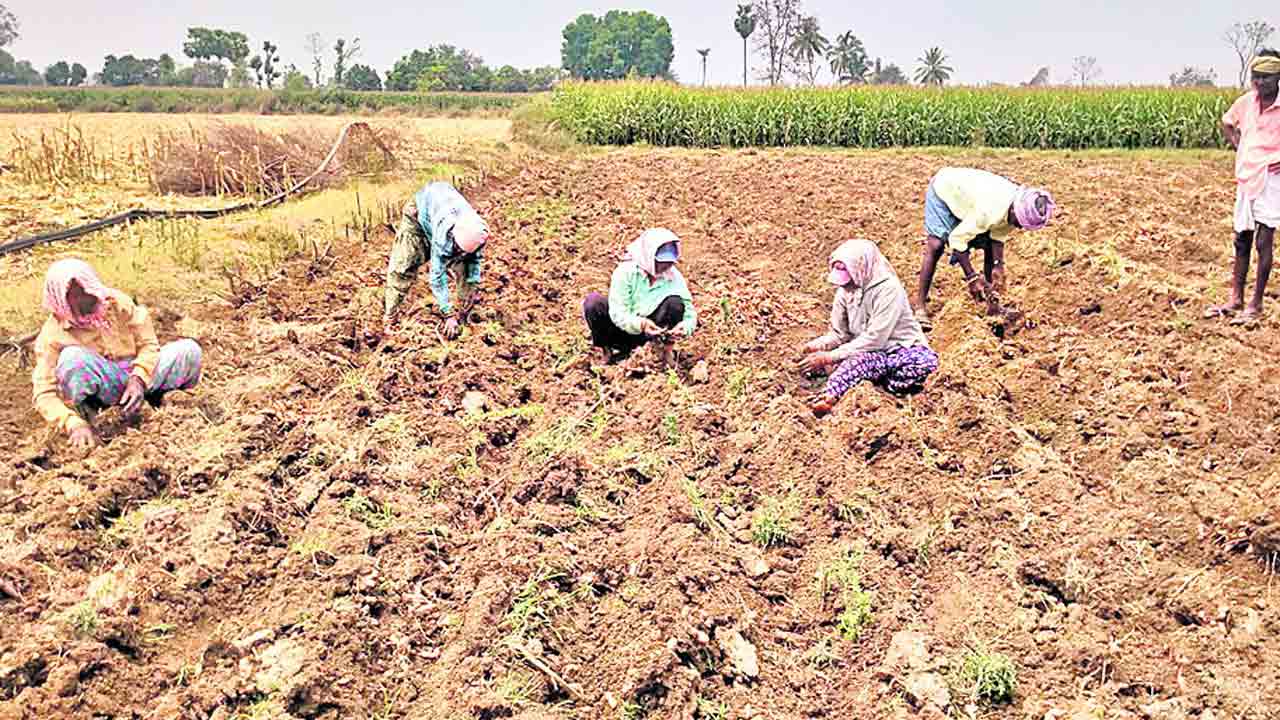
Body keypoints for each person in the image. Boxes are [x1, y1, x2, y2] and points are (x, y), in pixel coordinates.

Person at [31, 259, 204, 451]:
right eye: (75, 295)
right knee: (72, 359)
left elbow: (148, 344)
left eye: (86, 289)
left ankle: (164, 400)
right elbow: (44, 394)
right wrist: (72, 424)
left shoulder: (117, 302)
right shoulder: (52, 335)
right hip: (104, 388)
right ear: (61, 300)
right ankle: (94, 416)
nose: (85, 298)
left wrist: (138, 378)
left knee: (189, 351)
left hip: (141, 377)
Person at [802, 239, 938, 418]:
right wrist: (814, 347)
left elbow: (876, 339)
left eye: (847, 277)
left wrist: (828, 357)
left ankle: (849, 390)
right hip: (867, 353)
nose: (844, 285)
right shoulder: (844, 292)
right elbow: (838, 334)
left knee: (924, 364)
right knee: (856, 362)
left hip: (898, 351)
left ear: (861, 268)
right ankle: (835, 392)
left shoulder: (888, 290)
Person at [915, 167, 1056, 330]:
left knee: (989, 245)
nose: (1018, 227)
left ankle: (993, 305)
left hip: (968, 200)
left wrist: (998, 265)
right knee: (936, 245)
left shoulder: (1015, 209)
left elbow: (997, 238)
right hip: (944, 191)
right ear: (1013, 210)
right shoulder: (990, 210)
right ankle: (920, 307)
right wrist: (972, 278)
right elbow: (957, 239)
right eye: (1018, 222)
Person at [1204, 49, 1280, 326]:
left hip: (1272, 178)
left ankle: (1256, 303)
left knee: (1264, 239)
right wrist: (1240, 146)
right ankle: (1235, 298)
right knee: (1241, 237)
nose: (1259, 83)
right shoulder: (1247, 102)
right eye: (1256, 78)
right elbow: (1227, 122)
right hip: (1246, 175)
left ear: (1278, 78)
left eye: (1266, 78)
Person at [384, 181, 491, 339]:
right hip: (419, 214)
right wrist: (447, 313)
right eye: (458, 250)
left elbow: (473, 266)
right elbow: (437, 275)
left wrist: (469, 298)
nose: (459, 254)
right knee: (404, 264)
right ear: (454, 240)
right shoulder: (444, 235)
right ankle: (390, 317)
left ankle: (465, 310)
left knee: (465, 267)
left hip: (446, 206)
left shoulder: (478, 233)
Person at [582, 228, 697, 367]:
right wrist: (641, 324)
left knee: (675, 303)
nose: (666, 266)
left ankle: (664, 352)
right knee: (593, 303)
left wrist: (684, 328)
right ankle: (607, 351)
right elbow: (618, 313)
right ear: (648, 256)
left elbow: (689, 311)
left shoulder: (673, 276)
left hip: (653, 334)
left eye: (670, 262)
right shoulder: (625, 272)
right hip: (621, 331)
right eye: (661, 261)